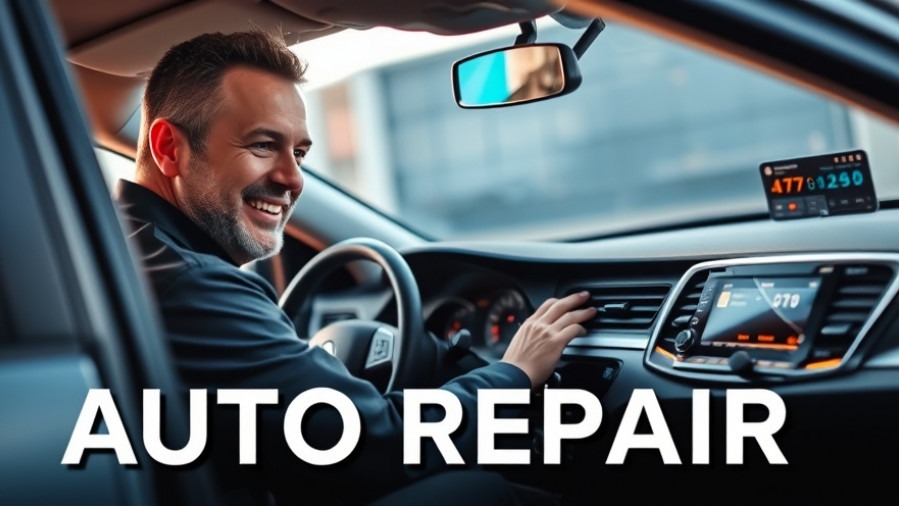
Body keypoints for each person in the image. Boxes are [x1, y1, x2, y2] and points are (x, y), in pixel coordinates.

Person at [115, 30, 596, 505]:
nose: (292, 178)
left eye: (299, 153)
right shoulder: (193, 284)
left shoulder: (127, 249)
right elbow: (372, 444)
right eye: (262, 145)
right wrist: (513, 374)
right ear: (170, 149)